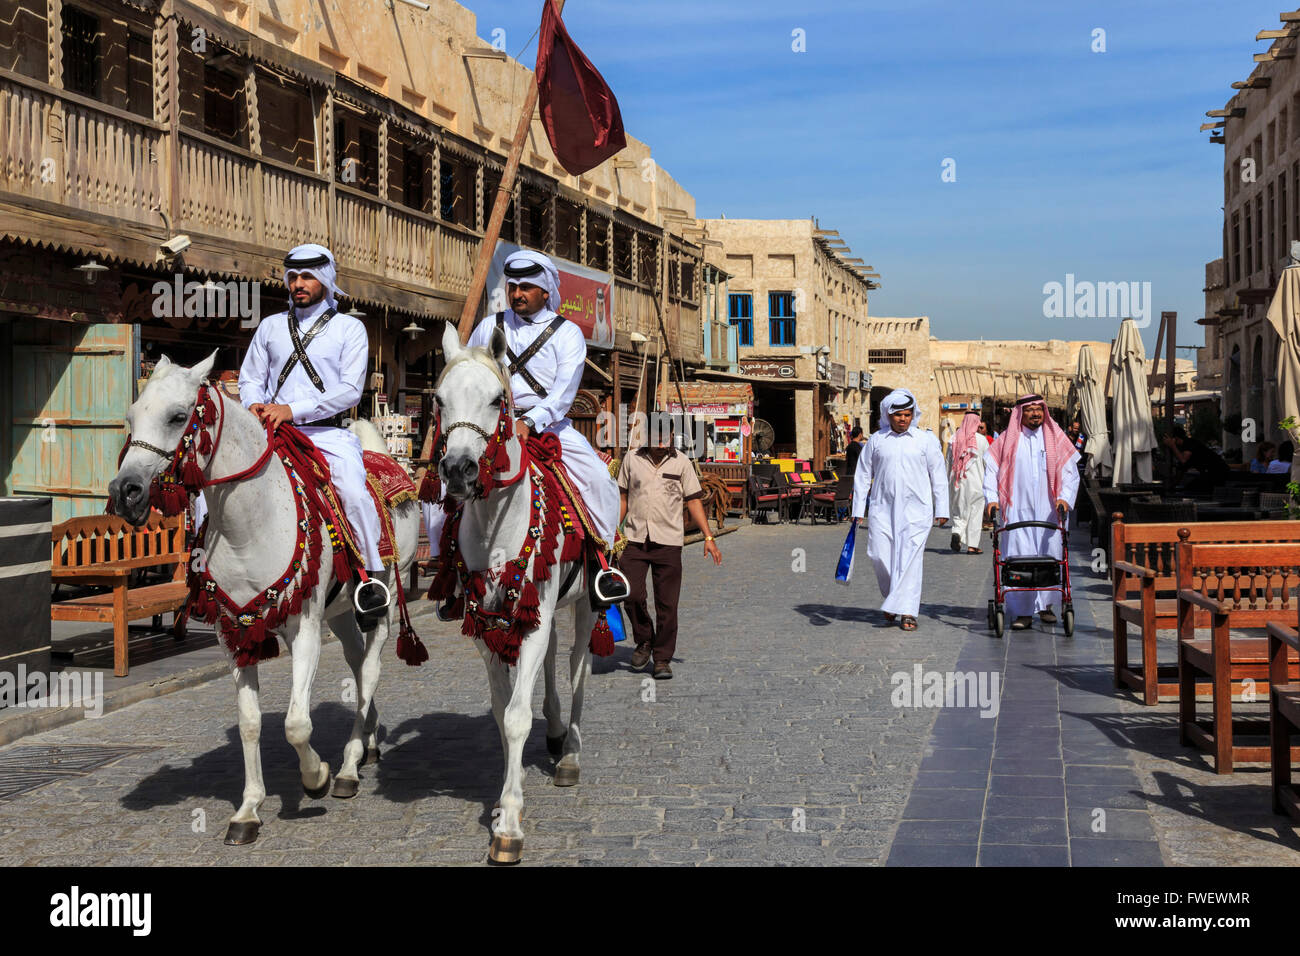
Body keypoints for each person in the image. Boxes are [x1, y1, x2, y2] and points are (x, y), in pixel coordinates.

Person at [421, 250, 620, 557]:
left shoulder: (567, 333)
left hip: (550, 425)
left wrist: (529, 421)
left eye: (525, 287)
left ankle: (603, 563)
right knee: (442, 479)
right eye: (513, 287)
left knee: (598, 479)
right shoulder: (489, 326)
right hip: (489, 423)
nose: (517, 294)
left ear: (545, 291)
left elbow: (563, 394)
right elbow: (468, 377)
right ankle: (441, 557)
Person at [237, 243, 386, 623]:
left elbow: (350, 390)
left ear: (325, 280)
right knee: (224, 481)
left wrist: (293, 409)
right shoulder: (270, 326)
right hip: (272, 432)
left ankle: (370, 578)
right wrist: (254, 403)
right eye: (292, 277)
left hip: (326, 435)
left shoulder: (350, 328)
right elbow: (251, 378)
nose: (298, 284)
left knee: (353, 491)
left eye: (307, 277)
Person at [617, 426, 722, 680]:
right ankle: (644, 640)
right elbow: (622, 497)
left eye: (666, 436)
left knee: (667, 604)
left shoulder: (682, 462)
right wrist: (612, 532)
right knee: (630, 594)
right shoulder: (632, 459)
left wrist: (709, 537)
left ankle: (662, 658)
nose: (662, 441)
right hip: (634, 538)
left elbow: (694, 501)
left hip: (668, 542)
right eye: (657, 435)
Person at [850, 389, 949, 632]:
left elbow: (938, 476)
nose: (903, 419)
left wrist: (942, 507)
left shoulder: (925, 440)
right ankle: (894, 597)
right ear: (888, 416)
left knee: (910, 560)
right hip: (882, 509)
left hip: (918, 511)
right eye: (898, 415)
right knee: (879, 554)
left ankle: (908, 612)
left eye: (907, 414)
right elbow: (863, 475)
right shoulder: (876, 440)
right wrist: (857, 508)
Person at [983, 394, 1080, 631]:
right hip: (1016, 510)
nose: (1035, 413)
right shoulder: (1006, 440)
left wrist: (1065, 499)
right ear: (1020, 413)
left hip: (1049, 510)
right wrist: (993, 500)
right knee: (1019, 557)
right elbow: (991, 473)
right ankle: (1023, 612)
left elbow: (1071, 474)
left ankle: (1046, 607)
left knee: (1049, 554)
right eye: (1030, 410)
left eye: (1039, 409)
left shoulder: (1056, 438)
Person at [946, 412, 988, 554]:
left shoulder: (953, 439)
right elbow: (987, 463)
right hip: (977, 482)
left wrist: (949, 482)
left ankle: (956, 532)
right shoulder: (981, 440)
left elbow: (948, 463)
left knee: (959, 511)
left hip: (958, 482)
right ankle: (972, 546)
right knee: (976, 513)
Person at [1162, 425, 1229, 492]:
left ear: (1175, 438)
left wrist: (1172, 446)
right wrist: (1170, 488)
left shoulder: (1189, 443)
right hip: (1211, 473)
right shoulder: (1183, 450)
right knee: (1189, 488)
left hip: (1217, 471)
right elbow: (1181, 470)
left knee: (1192, 489)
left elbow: (1183, 460)